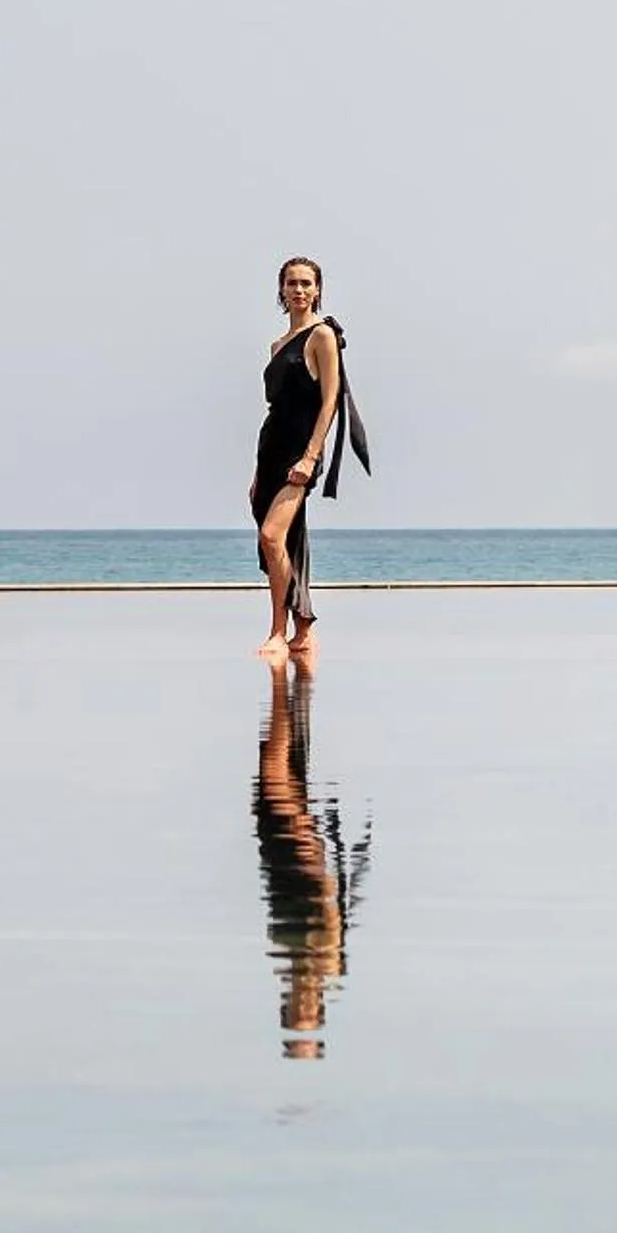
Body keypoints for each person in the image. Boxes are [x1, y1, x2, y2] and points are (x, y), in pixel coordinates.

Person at [247, 254, 367, 657]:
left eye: (306, 283)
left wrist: (311, 457)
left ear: (317, 290)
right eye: (291, 283)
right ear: (281, 290)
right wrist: (257, 474)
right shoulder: (276, 345)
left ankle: (277, 632)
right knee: (287, 542)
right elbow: (276, 409)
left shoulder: (322, 336)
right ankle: (302, 632)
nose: (298, 290)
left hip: (301, 450)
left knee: (271, 537)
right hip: (270, 449)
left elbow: (330, 400)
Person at [253, 655, 370, 1058]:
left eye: (296, 1014)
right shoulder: (327, 964)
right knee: (277, 767)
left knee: (273, 767)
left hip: (290, 860)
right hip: (295, 861)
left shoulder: (283, 954)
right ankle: (289, 685)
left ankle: (287, 685)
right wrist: (314, 855)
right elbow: (331, 912)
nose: (301, 1005)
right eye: (304, 1014)